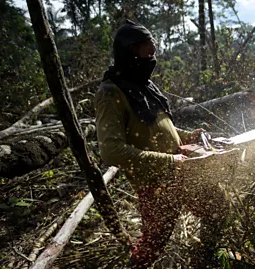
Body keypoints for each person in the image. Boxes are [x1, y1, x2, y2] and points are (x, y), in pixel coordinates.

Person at [95, 20, 229, 269]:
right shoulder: (110, 92)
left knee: (218, 207)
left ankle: (202, 261)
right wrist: (168, 160)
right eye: (149, 48)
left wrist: (189, 136)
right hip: (155, 183)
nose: (153, 54)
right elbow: (111, 150)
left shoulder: (145, 86)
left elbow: (159, 127)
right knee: (155, 242)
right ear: (131, 50)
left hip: (182, 171)